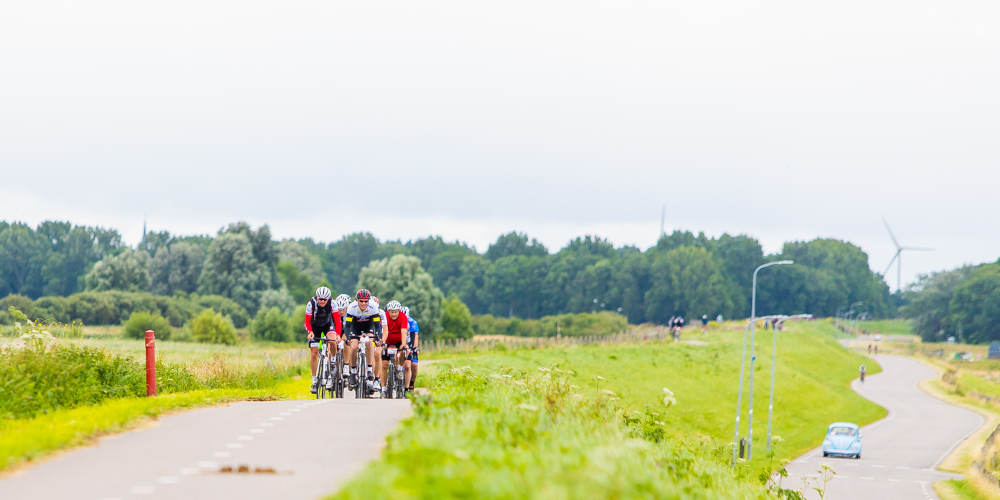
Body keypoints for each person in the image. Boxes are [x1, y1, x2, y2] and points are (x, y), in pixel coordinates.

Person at [304, 286, 343, 394]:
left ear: (328, 298)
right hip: (314, 327)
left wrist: (338, 335)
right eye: (320, 299)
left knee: (332, 341)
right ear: (317, 297)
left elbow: (337, 321)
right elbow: (307, 322)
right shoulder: (311, 304)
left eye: (325, 299)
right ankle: (314, 381)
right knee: (314, 354)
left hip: (327, 325)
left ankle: (333, 362)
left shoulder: (333, 303)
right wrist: (310, 332)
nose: (322, 301)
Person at [343, 289, 382, 395]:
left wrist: (378, 338)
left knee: (369, 343)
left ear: (369, 301)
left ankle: (369, 369)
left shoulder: (373, 306)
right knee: (354, 347)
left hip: (369, 326)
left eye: (366, 301)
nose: (363, 303)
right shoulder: (352, 307)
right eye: (361, 301)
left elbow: (377, 326)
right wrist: (348, 338)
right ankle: (353, 371)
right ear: (357, 300)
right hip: (355, 327)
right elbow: (347, 326)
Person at [379, 300, 409, 396]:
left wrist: (403, 345)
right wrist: (383, 342)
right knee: (384, 365)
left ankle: (399, 367)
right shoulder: (385, 316)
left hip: (398, 340)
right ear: (388, 311)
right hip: (387, 340)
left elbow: (404, 332)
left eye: (395, 312)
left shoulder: (403, 317)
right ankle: (383, 389)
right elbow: (382, 330)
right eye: (391, 312)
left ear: (399, 311)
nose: (394, 314)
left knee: (404, 350)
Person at [403, 306, 420, 393]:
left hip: (410, 343)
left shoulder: (412, 322)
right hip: (401, 343)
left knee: (414, 364)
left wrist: (414, 347)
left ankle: (411, 383)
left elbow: (415, 337)